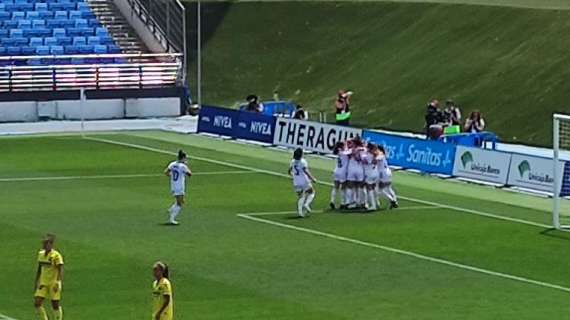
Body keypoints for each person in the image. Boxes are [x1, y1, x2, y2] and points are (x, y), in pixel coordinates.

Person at [34, 234, 64, 320]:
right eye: (43, 243)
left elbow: (60, 269)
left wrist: (58, 282)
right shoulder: (41, 254)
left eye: (46, 243)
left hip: (53, 282)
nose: (44, 245)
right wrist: (36, 281)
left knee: (55, 304)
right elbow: (39, 268)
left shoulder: (56, 256)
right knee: (37, 302)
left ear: (51, 244)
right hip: (43, 282)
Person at [164, 150, 192, 225]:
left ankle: (171, 209)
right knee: (180, 203)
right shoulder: (183, 166)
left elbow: (166, 172)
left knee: (181, 201)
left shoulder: (172, 164)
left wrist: (172, 176)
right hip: (179, 186)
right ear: (183, 158)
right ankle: (172, 219)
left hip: (173, 185)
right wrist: (186, 166)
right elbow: (190, 174)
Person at [288, 148, 317, 218]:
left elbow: (289, 171)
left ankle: (300, 212)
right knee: (312, 192)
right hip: (304, 180)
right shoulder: (303, 161)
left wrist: (293, 175)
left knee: (301, 196)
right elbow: (306, 171)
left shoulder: (292, 161)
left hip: (296, 181)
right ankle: (306, 204)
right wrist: (312, 178)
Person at [346, 137, 366, 209]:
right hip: (359, 170)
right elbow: (363, 159)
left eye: (352, 143)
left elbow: (361, 159)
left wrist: (354, 154)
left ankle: (351, 202)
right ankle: (361, 202)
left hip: (353, 169)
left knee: (351, 186)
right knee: (359, 187)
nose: (351, 144)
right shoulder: (362, 150)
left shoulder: (354, 150)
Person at [330, 141, 349, 210]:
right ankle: (343, 203)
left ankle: (332, 200)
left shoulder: (339, 153)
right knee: (343, 188)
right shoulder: (345, 153)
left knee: (335, 187)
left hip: (336, 171)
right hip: (342, 172)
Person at [362, 143, 380, 211]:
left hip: (369, 173)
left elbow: (364, 161)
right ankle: (377, 202)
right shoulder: (376, 154)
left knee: (369, 189)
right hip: (375, 172)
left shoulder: (367, 155)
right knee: (374, 187)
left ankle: (373, 205)